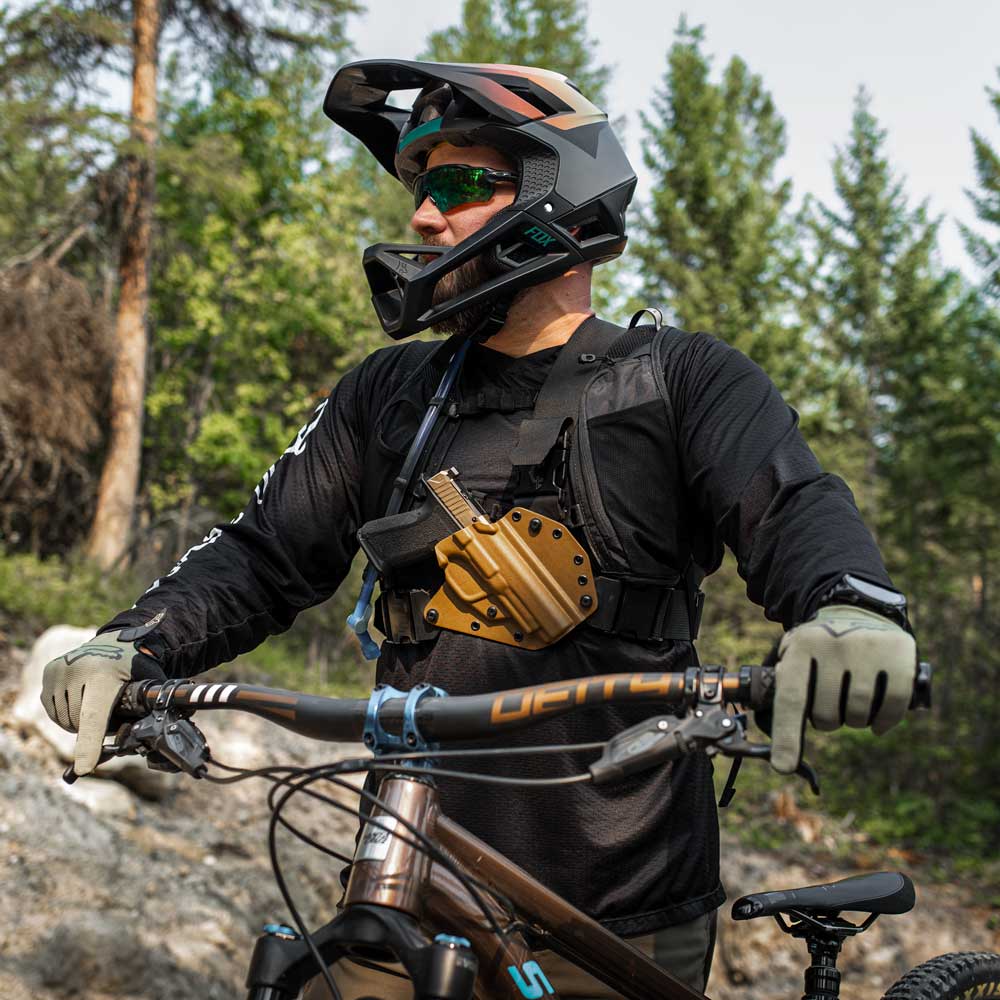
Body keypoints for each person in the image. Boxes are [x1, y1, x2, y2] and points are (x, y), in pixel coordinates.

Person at [41, 60, 917, 999]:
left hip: (618, 900)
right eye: (423, 186)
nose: (423, 216)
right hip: (406, 873)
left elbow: (795, 506)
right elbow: (261, 553)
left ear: (557, 194)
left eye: (457, 185)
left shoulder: (681, 380)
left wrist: (850, 609)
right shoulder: (387, 393)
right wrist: (133, 646)